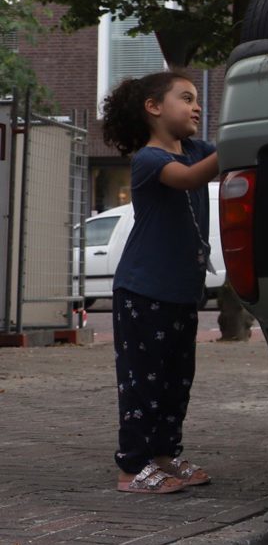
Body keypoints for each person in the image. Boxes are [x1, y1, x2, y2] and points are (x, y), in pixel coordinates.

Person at [100, 71, 220, 494]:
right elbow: (189, 179)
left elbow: (218, 156)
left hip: (181, 291)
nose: (197, 106)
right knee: (142, 382)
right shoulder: (149, 159)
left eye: (196, 99)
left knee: (175, 381)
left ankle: (165, 455)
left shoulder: (195, 149)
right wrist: (241, 144)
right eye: (186, 98)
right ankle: (133, 468)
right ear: (154, 108)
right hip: (143, 291)